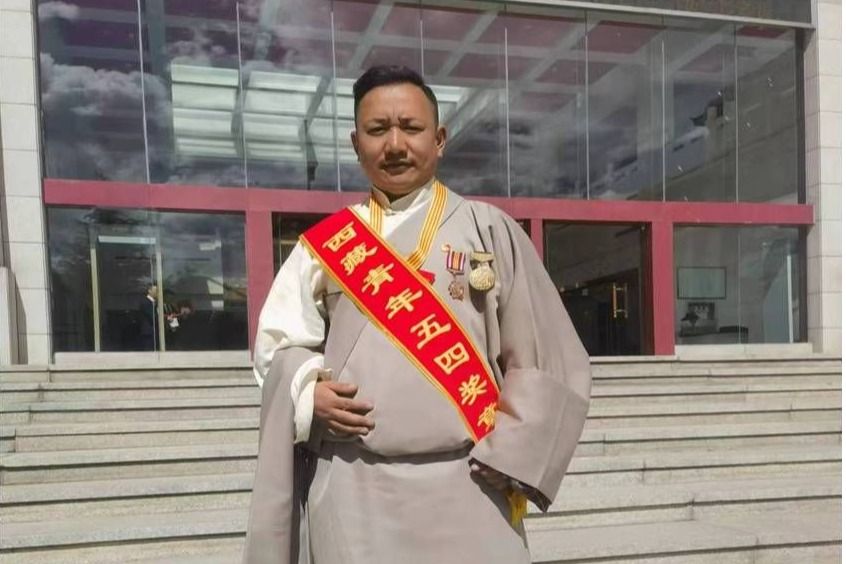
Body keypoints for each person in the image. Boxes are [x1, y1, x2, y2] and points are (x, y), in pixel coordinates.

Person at [243, 65, 591, 564]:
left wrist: (516, 450)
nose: (395, 145)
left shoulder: (489, 231)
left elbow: (545, 355)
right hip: (353, 490)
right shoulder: (325, 246)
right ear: (356, 143)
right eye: (377, 130)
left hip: (471, 484)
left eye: (410, 127)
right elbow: (279, 346)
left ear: (439, 138)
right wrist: (304, 390)